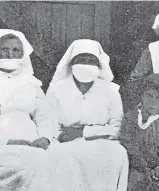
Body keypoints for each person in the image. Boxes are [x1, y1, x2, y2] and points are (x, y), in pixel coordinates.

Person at [0, 29, 84, 191]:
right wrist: (6, 141)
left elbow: (45, 115)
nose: (10, 55)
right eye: (5, 49)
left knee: (67, 161)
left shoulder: (30, 81)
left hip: (33, 140)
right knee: (34, 164)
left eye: (16, 50)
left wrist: (45, 137)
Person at [44, 39, 128, 191]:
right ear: (71, 63)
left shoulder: (110, 90)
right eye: (81, 60)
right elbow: (49, 123)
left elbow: (117, 127)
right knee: (55, 156)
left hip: (100, 141)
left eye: (91, 61)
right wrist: (60, 135)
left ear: (99, 66)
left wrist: (83, 132)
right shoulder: (56, 89)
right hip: (64, 141)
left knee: (118, 153)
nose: (86, 64)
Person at [120, 73, 159, 191]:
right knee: (136, 179)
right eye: (149, 96)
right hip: (136, 166)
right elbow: (128, 144)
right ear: (141, 96)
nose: (153, 102)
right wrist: (143, 167)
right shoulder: (131, 118)